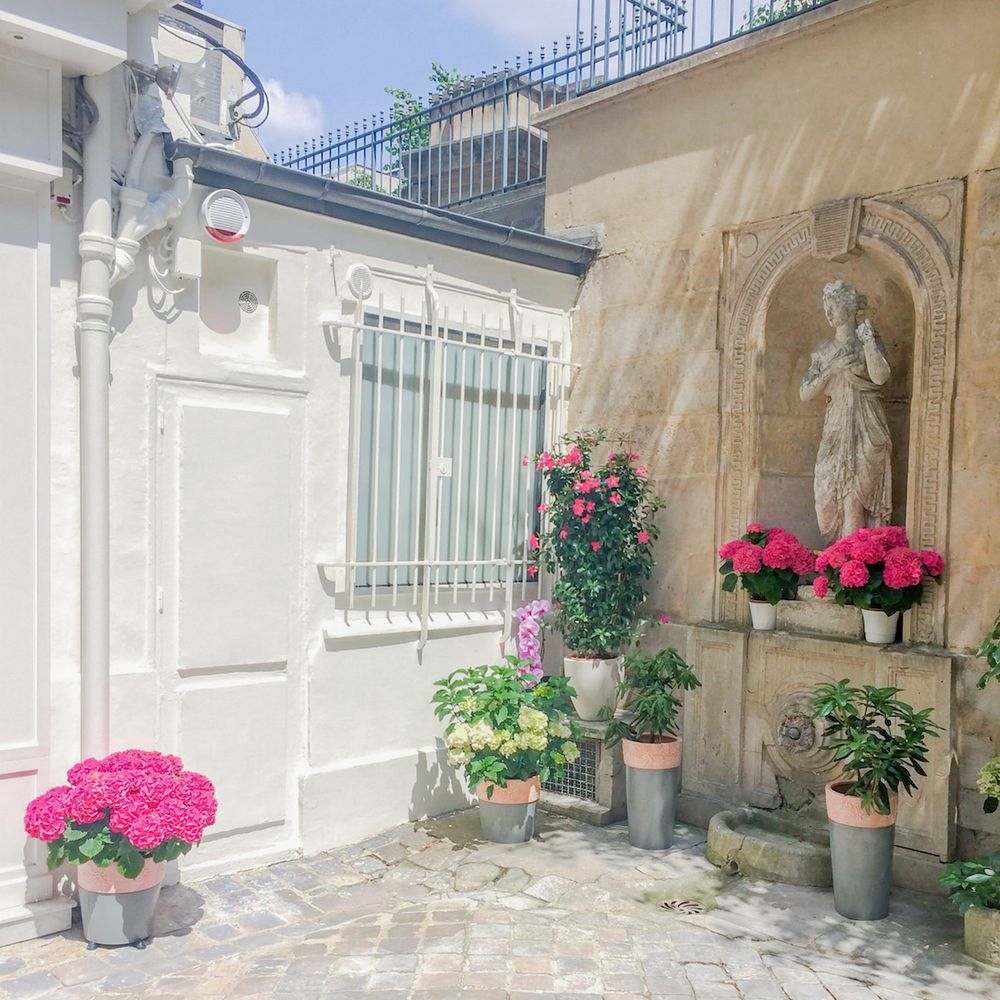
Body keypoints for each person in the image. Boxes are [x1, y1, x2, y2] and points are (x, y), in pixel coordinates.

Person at [800, 280, 892, 541]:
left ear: (850, 308)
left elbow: (881, 376)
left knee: (855, 492)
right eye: (825, 307)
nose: (828, 313)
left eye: (833, 306)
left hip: (866, 419)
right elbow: (805, 393)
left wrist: (869, 344)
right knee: (827, 490)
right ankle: (838, 559)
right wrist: (833, 368)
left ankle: (853, 564)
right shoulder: (823, 350)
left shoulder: (868, 341)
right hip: (836, 424)